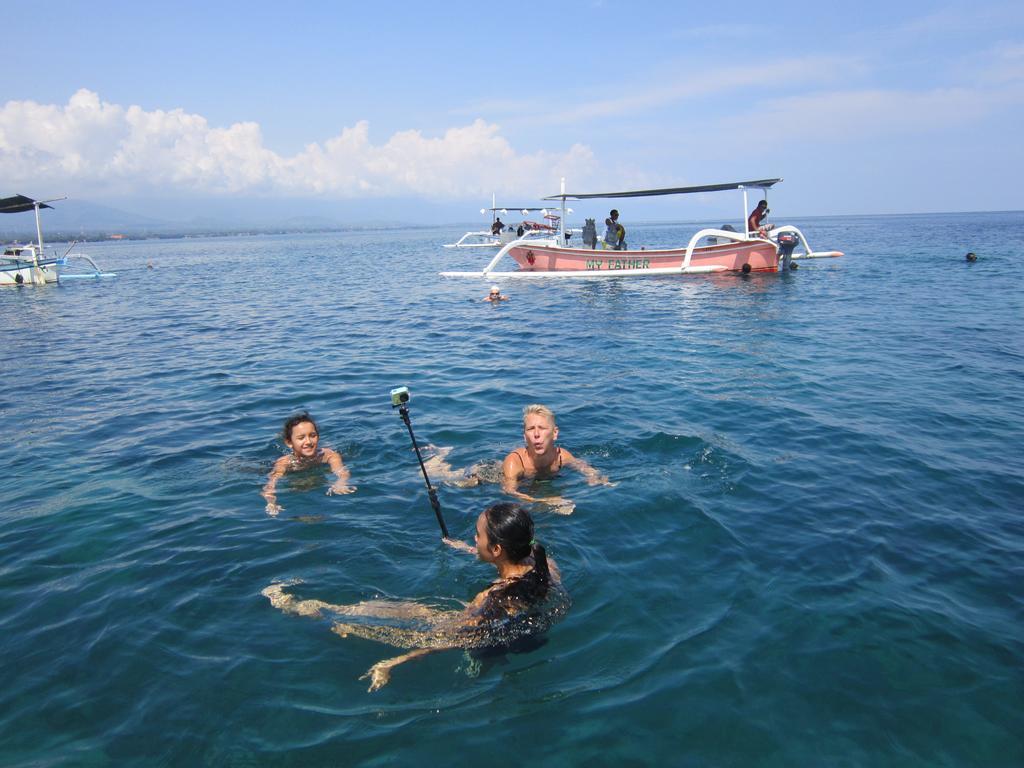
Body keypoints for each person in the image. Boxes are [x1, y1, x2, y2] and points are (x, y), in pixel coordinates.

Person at [262, 503, 566, 691]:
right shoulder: (544, 565)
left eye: (478, 536)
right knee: (416, 612)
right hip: (531, 637)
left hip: (488, 645)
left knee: (413, 614)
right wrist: (462, 548)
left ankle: (320, 612)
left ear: (497, 550)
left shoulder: (492, 596)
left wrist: (396, 661)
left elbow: (453, 638)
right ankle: (335, 613)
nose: (474, 540)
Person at [422, 404, 613, 514]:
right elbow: (508, 491)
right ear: (524, 437)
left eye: (542, 428)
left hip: (530, 480)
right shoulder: (515, 462)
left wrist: (597, 477)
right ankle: (438, 458)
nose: (536, 435)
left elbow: (585, 468)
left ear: (554, 434)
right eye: (531, 430)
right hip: (489, 476)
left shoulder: (562, 456)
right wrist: (546, 501)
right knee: (454, 481)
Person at [262, 412, 354, 515]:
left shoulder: (329, 455)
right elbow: (270, 486)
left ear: (318, 437)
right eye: (301, 438)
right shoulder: (284, 463)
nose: (308, 441)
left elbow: (342, 472)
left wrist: (341, 482)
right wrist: (271, 503)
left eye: (312, 436)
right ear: (289, 443)